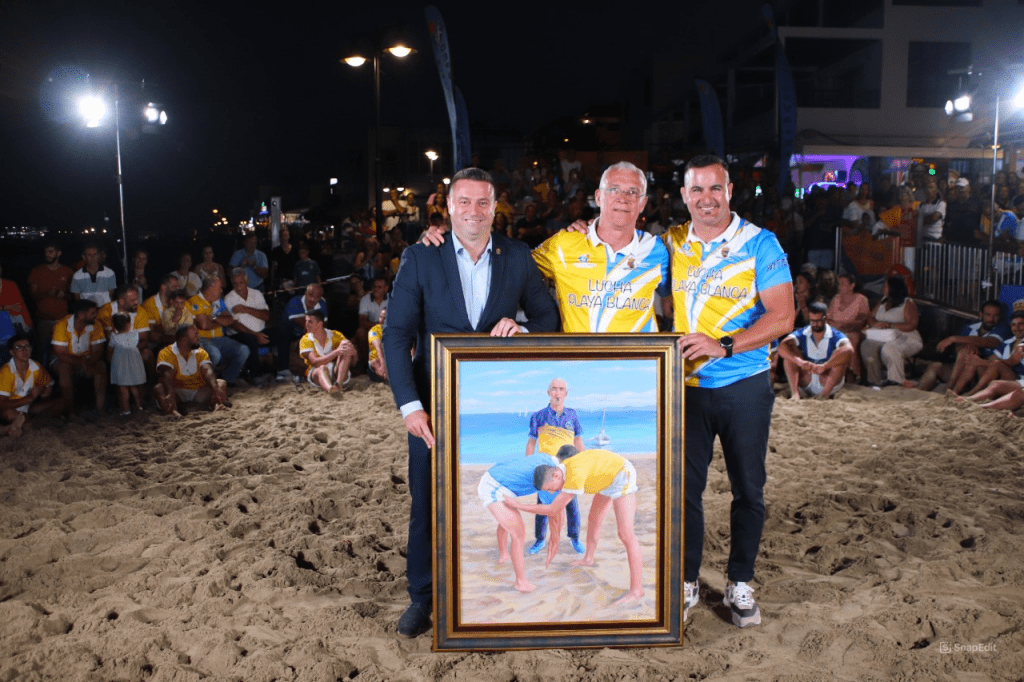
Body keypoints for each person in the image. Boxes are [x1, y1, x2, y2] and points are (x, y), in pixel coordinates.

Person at [382, 167, 560, 638]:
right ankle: (422, 597)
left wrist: (522, 330)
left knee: (491, 492)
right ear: (448, 207)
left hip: (493, 407)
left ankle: (486, 584)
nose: (473, 212)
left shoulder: (517, 257)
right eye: (464, 202)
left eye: (483, 203)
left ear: (495, 206)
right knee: (428, 500)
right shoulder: (421, 257)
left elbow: (549, 320)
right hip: (433, 407)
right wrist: (409, 406)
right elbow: (396, 335)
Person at [665, 155, 795, 627]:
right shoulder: (672, 242)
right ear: (684, 196)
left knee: (749, 490)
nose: (706, 199)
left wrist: (725, 346)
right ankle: (686, 582)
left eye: (714, 189)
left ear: (730, 190)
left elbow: (782, 317)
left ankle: (740, 582)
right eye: (696, 190)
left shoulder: (761, 243)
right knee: (685, 492)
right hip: (687, 388)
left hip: (744, 385)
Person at [505, 445, 644, 605]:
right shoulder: (564, 470)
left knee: (625, 534)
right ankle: (589, 558)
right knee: (593, 519)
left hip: (620, 474)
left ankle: (636, 590)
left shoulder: (574, 475)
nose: (551, 492)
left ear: (556, 475)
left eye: (550, 488)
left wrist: (518, 506)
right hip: (604, 477)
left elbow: (552, 509)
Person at [477, 452, 563, 593]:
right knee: (518, 533)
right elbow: (552, 511)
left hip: (500, 478)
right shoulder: (552, 476)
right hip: (494, 486)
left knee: (507, 523)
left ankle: (504, 555)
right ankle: (520, 582)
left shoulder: (548, 460)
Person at [524, 378, 585, 555]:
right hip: (547, 467)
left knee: (571, 505)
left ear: (566, 393)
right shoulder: (538, 416)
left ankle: (574, 539)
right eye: (554, 389)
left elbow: (578, 440)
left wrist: (582, 464)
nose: (557, 393)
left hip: (568, 467)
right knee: (542, 505)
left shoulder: (572, 415)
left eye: (561, 389)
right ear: (549, 392)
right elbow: (531, 443)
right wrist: (529, 464)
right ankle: (540, 540)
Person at [915, 299, 1006, 393]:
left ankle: (949, 388)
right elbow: (957, 348)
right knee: (935, 366)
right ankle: (917, 391)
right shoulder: (970, 328)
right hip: (961, 370)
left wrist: (953, 339)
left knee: (969, 355)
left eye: (996, 316)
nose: (991, 319)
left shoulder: (1002, 329)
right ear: (981, 314)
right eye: (988, 315)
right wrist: (966, 347)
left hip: (981, 374)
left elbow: (990, 341)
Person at [777, 302, 853, 399]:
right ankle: (795, 393)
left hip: (826, 381)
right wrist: (799, 362)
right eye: (812, 321)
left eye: (818, 321)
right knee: (789, 355)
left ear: (826, 318)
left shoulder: (835, 334)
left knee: (840, 357)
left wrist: (825, 366)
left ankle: (825, 394)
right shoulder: (803, 332)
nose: (815, 324)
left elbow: (849, 349)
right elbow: (782, 346)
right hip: (806, 379)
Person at [860, 276, 923, 388]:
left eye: (886, 285)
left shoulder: (907, 303)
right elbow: (870, 317)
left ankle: (896, 380)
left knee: (890, 348)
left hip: (906, 336)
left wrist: (891, 325)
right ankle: (875, 381)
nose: (884, 287)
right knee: (867, 346)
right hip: (884, 335)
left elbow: (912, 324)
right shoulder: (883, 301)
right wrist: (875, 324)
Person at [154, 324, 228, 417]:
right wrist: (171, 393)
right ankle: (172, 411)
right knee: (159, 388)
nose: (199, 337)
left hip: (198, 391)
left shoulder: (201, 352)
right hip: (176, 391)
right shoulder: (166, 353)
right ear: (184, 340)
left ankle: (217, 405)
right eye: (195, 335)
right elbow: (167, 375)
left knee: (220, 383)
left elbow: (207, 370)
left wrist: (214, 387)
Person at [188, 276, 250, 387]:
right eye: (219, 288)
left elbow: (231, 319)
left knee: (243, 350)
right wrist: (220, 320)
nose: (221, 290)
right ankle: (202, 383)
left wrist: (214, 319)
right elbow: (204, 325)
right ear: (210, 288)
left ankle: (227, 379)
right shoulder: (194, 301)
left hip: (220, 338)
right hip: (202, 340)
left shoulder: (219, 302)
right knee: (214, 354)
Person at [0, 332, 65, 437]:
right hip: (12, 409)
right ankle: (33, 424)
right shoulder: (6, 371)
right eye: (19, 347)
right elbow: (1, 404)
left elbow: (47, 393)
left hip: (29, 408)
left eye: (27, 346)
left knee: (61, 403)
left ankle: (29, 424)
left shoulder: (36, 367)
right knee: (8, 412)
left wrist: (44, 392)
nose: (24, 350)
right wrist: (30, 398)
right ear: (12, 352)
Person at [51, 299, 108, 417]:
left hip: (87, 359)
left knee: (101, 367)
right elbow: (61, 354)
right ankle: (70, 410)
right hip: (65, 360)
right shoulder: (62, 325)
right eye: (92, 313)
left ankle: (99, 408)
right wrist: (81, 363)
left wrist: (86, 362)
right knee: (64, 369)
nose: (96, 316)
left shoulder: (96, 325)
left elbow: (98, 351)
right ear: (81, 315)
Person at [224, 268, 272, 383]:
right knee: (250, 339)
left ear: (246, 281)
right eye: (235, 283)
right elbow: (234, 324)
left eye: (241, 282)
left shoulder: (256, 293)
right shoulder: (228, 299)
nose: (238, 285)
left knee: (281, 332)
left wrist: (245, 309)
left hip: (261, 330)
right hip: (240, 334)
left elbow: (266, 316)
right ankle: (256, 376)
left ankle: (283, 371)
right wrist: (255, 334)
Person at [28, 241, 75, 358]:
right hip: (43, 320)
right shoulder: (37, 271)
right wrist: (45, 293)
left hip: (62, 319)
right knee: (43, 352)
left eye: (50, 252)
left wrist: (64, 294)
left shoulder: (68, 271)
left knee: (63, 352)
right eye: (46, 252)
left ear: (59, 253)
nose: (47, 255)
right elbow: (31, 296)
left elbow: (73, 296)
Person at [273, 283, 328, 381]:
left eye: (316, 297)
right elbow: (305, 324)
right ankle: (283, 371)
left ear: (320, 298)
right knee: (283, 333)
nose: (312, 299)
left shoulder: (322, 303)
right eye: (310, 295)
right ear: (305, 293)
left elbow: (323, 326)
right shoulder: (295, 301)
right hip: (289, 333)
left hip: (304, 335)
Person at [298, 309, 356, 393]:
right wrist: (336, 352)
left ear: (320, 323)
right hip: (317, 373)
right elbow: (315, 362)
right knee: (321, 368)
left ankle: (339, 385)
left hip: (337, 371)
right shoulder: (305, 339)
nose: (306, 324)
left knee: (345, 345)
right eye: (306, 321)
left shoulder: (336, 335)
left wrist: (353, 353)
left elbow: (354, 362)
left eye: (310, 322)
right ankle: (330, 389)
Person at [827, 273, 870, 383]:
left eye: (843, 284)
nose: (839, 286)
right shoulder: (836, 299)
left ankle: (851, 373)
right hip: (835, 330)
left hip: (854, 331)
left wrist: (845, 326)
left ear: (852, 286)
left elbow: (862, 320)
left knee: (850, 338)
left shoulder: (861, 300)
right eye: (839, 283)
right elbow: (828, 318)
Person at [107, 312, 146, 417]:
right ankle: (138, 406)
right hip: (134, 363)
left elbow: (110, 349)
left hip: (121, 364)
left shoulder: (114, 337)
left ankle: (126, 409)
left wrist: (109, 358)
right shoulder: (135, 335)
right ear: (129, 324)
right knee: (134, 387)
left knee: (123, 388)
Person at [367, 308, 388, 383]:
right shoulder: (374, 330)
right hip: (377, 363)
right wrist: (383, 365)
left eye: (385, 318)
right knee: (375, 362)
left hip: (391, 361)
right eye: (380, 317)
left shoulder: (397, 330)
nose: (381, 320)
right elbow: (378, 347)